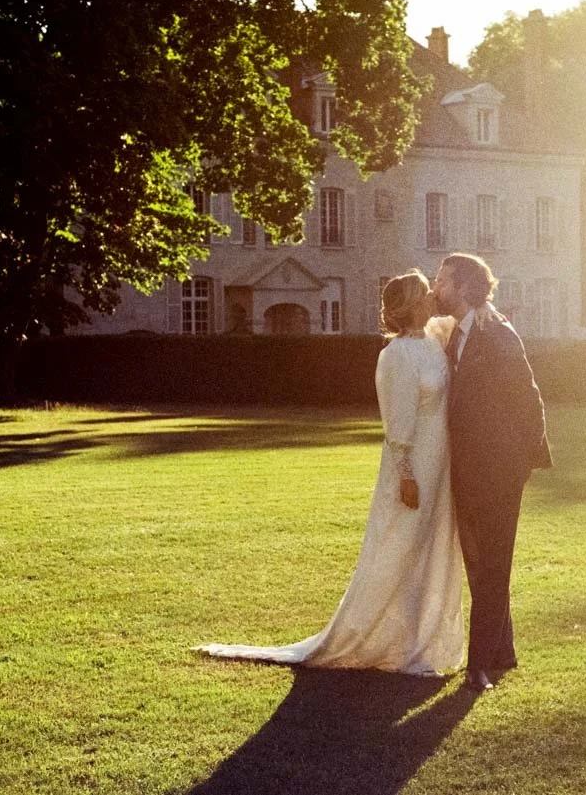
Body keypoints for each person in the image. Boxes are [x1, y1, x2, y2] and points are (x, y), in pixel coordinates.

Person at [193, 270, 464, 676]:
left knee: (432, 552)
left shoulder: (436, 340)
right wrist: (407, 476)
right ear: (411, 304)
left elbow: (468, 317)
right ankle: (372, 637)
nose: (432, 296)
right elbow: (397, 427)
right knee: (398, 552)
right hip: (414, 470)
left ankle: (422, 639)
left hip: (441, 464)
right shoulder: (396, 356)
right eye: (426, 292)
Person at [432, 253, 553, 692]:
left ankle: (477, 665)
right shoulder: (454, 335)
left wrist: (524, 462)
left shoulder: (498, 332)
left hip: (500, 470)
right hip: (467, 469)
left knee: (494, 565)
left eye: (442, 280)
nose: (435, 287)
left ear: (465, 287)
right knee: (479, 560)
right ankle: (503, 651)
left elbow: (530, 398)